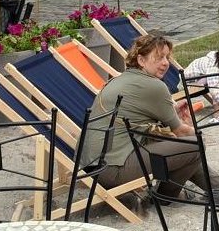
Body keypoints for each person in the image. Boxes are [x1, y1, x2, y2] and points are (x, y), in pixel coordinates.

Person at [82, 34, 206, 197]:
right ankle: (166, 196)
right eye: (159, 57)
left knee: (183, 146)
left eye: (167, 57)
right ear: (141, 60)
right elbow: (181, 132)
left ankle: (218, 187)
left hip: (92, 166)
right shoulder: (154, 86)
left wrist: (173, 115)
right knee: (195, 146)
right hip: (112, 170)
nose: (165, 63)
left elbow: (137, 116)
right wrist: (198, 133)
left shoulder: (121, 79)